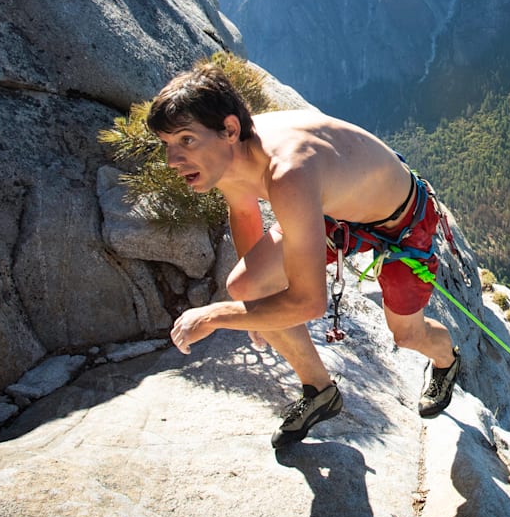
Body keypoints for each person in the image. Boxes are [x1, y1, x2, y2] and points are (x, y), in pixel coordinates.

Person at [147, 61, 461, 448]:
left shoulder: (288, 171)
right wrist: (258, 305)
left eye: (186, 141)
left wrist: (215, 316)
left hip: (403, 222)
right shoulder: (229, 154)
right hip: (334, 210)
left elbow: (310, 302)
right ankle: (319, 390)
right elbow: (245, 212)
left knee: (407, 333)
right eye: (168, 145)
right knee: (246, 284)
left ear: (229, 129)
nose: (172, 161)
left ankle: (447, 361)